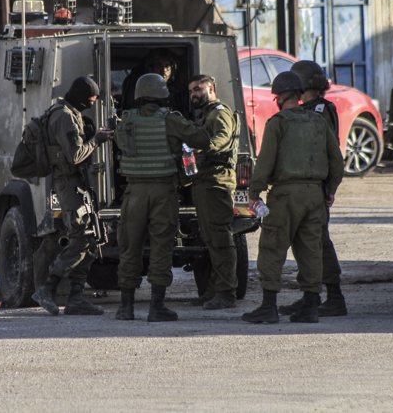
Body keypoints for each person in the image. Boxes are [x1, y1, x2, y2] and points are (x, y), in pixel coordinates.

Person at [241, 71, 344, 324]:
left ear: (280, 96)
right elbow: (337, 162)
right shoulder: (319, 121)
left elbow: (265, 163)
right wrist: (329, 190)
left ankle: (268, 306)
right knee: (311, 249)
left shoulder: (278, 123)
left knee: (273, 247)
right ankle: (310, 306)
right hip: (314, 195)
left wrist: (254, 192)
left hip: (286, 195)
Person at [115, 73, 210, 322]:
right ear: (162, 94)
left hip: (133, 192)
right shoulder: (171, 120)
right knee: (161, 247)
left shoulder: (126, 120)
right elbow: (202, 139)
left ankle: (126, 307)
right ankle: (156, 307)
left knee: (129, 247)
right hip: (162, 192)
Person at [31, 76, 114, 316]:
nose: (92, 103)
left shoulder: (69, 111)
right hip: (68, 183)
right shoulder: (64, 116)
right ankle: (48, 288)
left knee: (93, 237)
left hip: (77, 183)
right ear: (80, 96)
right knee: (81, 237)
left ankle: (76, 297)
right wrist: (96, 140)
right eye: (90, 99)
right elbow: (75, 156)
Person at [277, 60, 347, 317]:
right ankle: (312, 296)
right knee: (308, 243)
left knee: (318, 243)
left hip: (315, 186)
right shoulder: (313, 108)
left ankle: (332, 296)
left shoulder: (319, 110)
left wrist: (330, 188)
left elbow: (327, 152)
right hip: (310, 185)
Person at [187, 74, 239, 310]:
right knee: (211, 239)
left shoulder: (218, 112)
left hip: (217, 182)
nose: (194, 94)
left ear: (212, 88)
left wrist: (202, 146)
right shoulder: (205, 114)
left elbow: (222, 137)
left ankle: (226, 292)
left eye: (198, 89)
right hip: (205, 181)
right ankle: (215, 289)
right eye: (191, 91)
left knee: (220, 238)